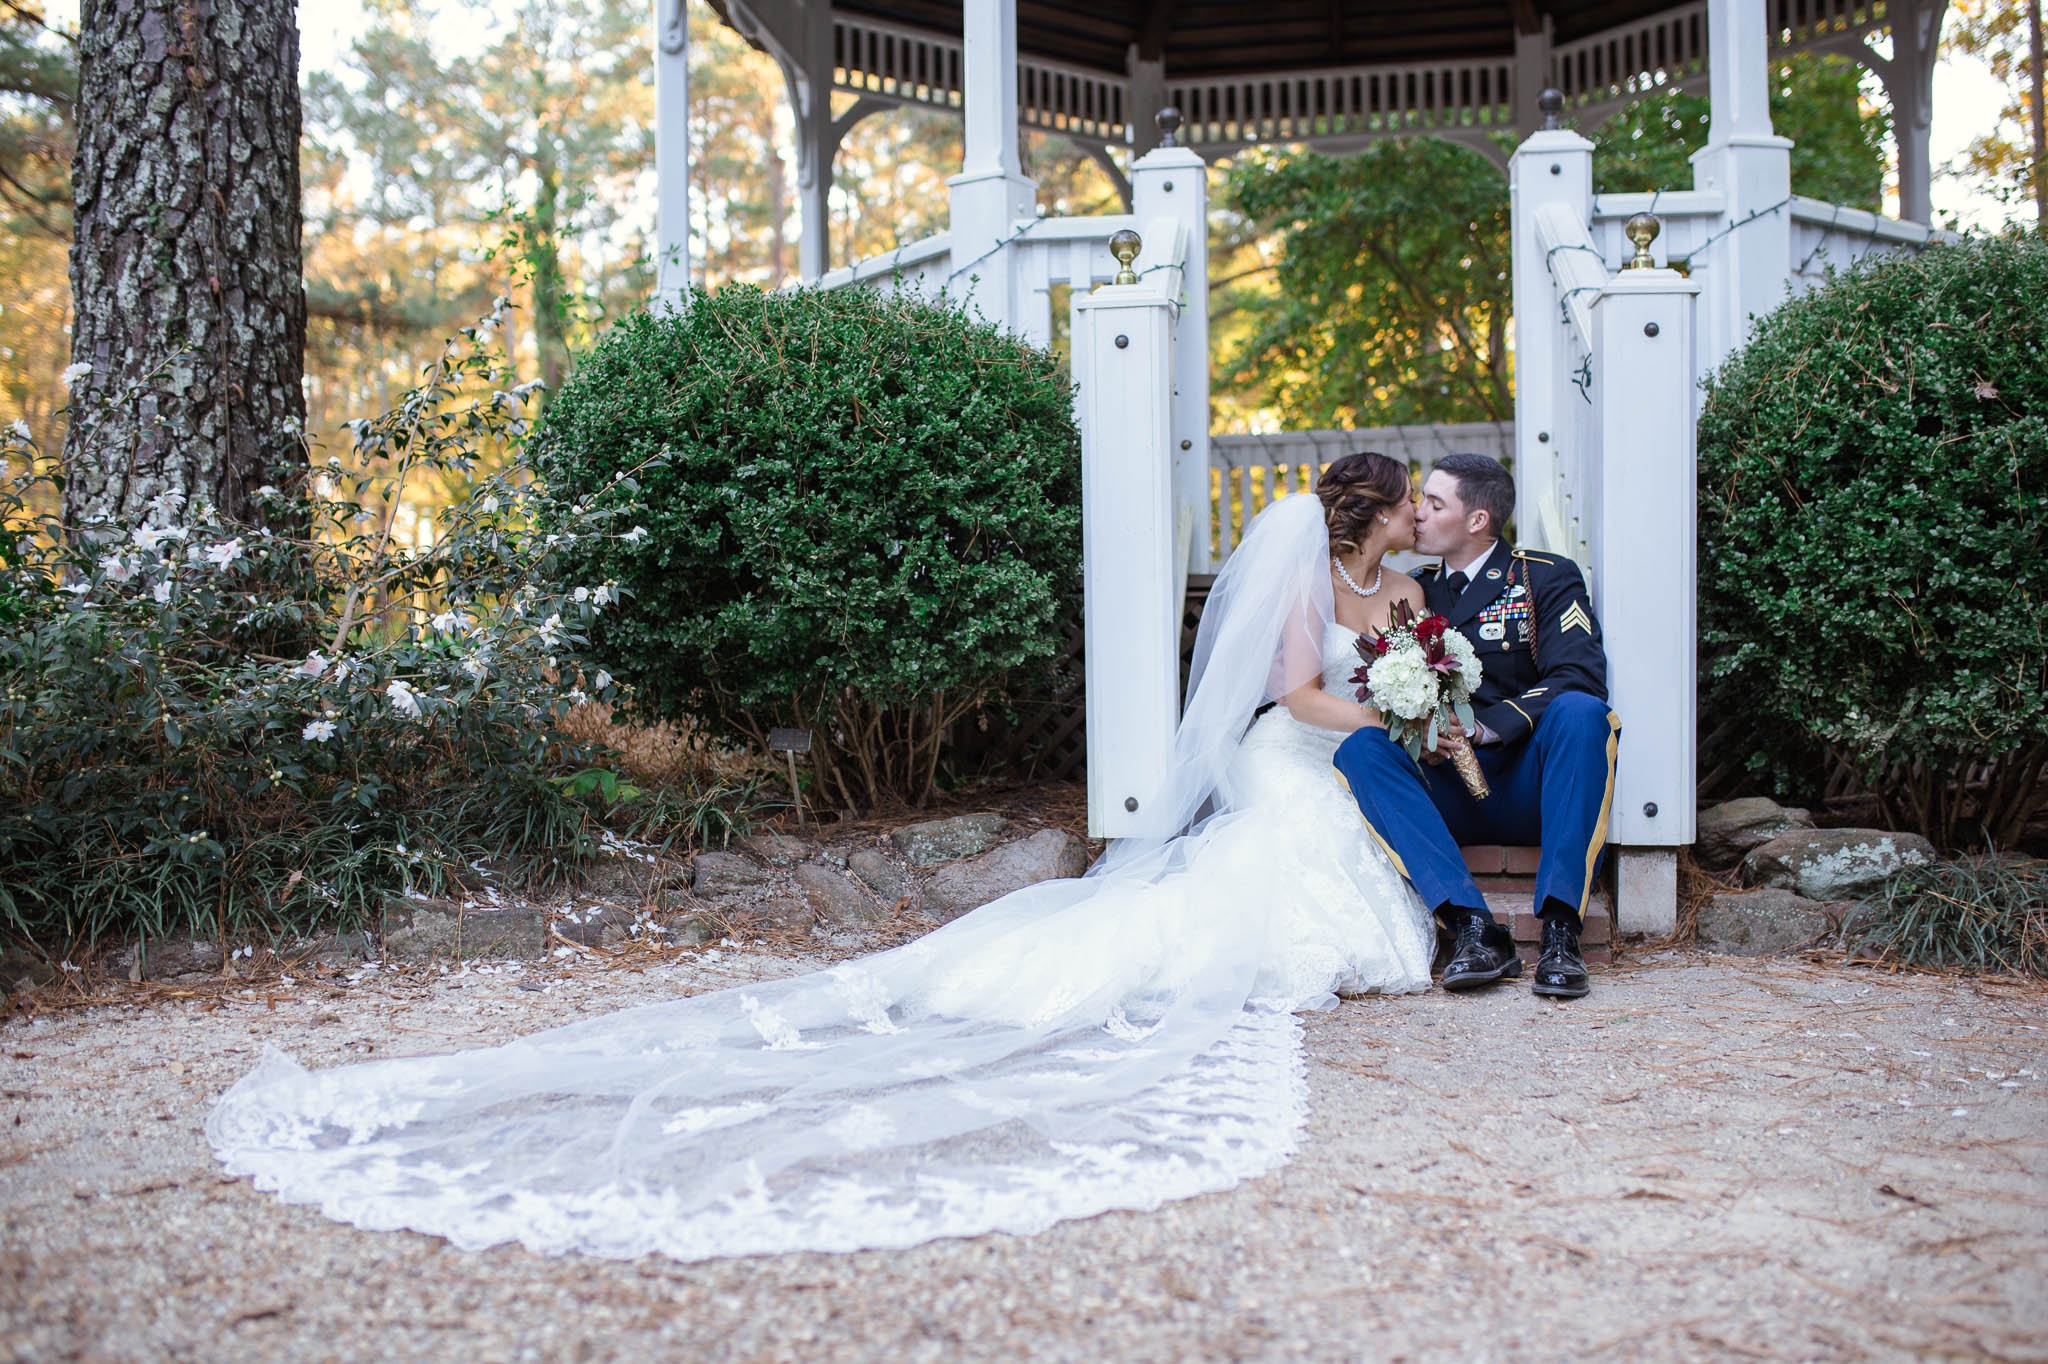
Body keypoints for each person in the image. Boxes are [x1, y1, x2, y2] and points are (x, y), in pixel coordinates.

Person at [209, 453, 1438, 1263]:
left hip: (1353, 743)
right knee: (1298, 826)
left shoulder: (1389, 584)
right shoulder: (1300, 577)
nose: (1411, 522)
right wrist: (1387, 711)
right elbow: (1290, 692)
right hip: (1304, 745)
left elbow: (1387, 655)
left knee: (1335, 817)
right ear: (1367, 514)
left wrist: (1416, 690)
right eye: (1402, 508)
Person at [1333, 453, 1617, 1001]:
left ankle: (1560, 932)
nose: (1416, 513)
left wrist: (1489, 728)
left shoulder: (1544, 576)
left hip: (1530, 783)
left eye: (1435, 504)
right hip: (1449, 787)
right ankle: (1473, 929)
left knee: (1584, 714)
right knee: (1363, 749)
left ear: (1477, 520)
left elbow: (1578, 674)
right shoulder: (1410, 590)